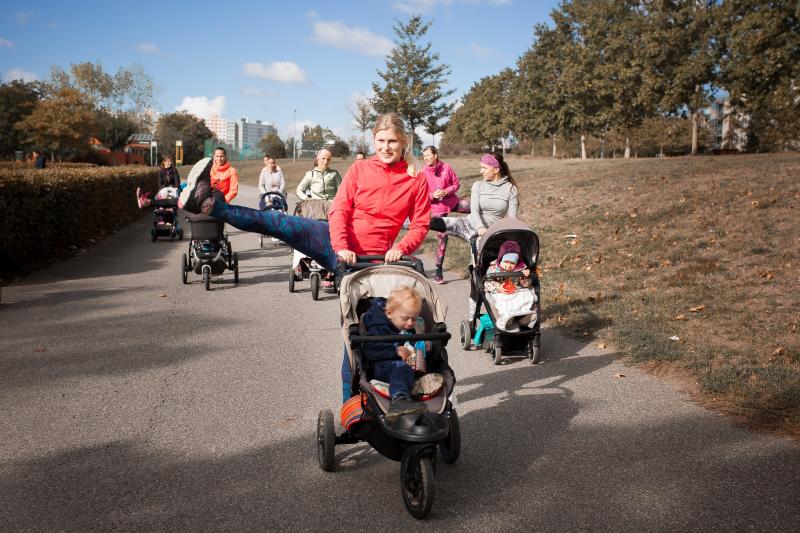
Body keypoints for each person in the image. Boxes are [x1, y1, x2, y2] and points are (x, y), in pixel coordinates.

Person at [178, 112, 431, 401]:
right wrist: (341, 244)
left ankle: (351, 405)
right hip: (337, 243)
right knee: (278, 222)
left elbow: (421, 223)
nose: (385, 147)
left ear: (404, 143)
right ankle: (208, 202)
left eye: (392, 142)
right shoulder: (361, 170)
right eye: (380, 141)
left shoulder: (415, 179)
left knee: (355, 337)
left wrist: (402, 248)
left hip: (369, 262)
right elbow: (340, 210)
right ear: (374, 140)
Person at [429, 151, 519, 317]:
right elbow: (475, 210)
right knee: (432, 222)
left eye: (484, 167)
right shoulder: (478, 185)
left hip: (490, 235)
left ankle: (472, 317)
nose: (481, 171)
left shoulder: (510, 189)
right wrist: (479, 227)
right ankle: (399, 219)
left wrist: (504, 234)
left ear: (496, 169)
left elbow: (512, 218)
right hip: (469, 224)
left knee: (478, 275)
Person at [362, 286, 429, 420]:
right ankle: (399, 400)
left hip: (401, 366)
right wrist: (395, 350)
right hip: (380, 366)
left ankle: (411, 388)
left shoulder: (406, 326)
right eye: (405, 318)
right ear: (389, 313)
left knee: (410, 366)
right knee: (401, 368)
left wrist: (424, 345)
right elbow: (370, 350)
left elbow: (411, 342)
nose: (410, 323)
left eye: (414, 319)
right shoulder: (378, 327)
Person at [420, 145, 462, 284]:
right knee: (442, 238)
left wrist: (446, 191)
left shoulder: (447, 167)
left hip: (452, 202)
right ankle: (438, 271)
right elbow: (420, 194)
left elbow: (456, 184)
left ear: (435, 155)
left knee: (472, 207)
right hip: (437, 208)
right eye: (424, 156)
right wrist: (432, 195)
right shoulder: (423, 172)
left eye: (427, 155)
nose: (425, 158)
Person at [483, 240, 536, 332]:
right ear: (501, 259)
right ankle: (507, 320)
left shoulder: (521, 269)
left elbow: (527, 284)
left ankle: (523, 318)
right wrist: (499, 287)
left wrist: (524, 277)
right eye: (506, 262)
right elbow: (487, 283)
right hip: (500, 292)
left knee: (526, 296)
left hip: (517, 291)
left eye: (512, 263)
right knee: (502, 301)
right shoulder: (493, 269)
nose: (509, 265)